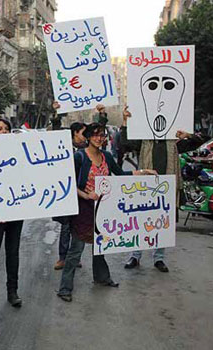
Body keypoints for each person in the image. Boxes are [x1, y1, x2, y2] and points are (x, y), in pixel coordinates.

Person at [56, 123, 157, 302]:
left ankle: (101, 277)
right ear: (88, 137)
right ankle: (65, 288)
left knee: (100, 245)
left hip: (103, 209)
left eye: (102, 135)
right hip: (83, 209)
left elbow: (120, 174)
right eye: (95, 135)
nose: (99, 138)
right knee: (76, 250)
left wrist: (144, 172)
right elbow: (68, 183)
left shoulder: (107, 157)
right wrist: (87, 195)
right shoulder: (79, 157)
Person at [121, 107, 205, 272]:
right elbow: (125, 143)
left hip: (167, 189)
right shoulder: (143, 140)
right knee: (140, 221)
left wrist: (187, 135)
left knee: (163, 223)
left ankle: (159, 258)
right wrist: (125, 121)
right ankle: (135, 256)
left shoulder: (174, 142)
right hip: (145, 188)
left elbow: (199, 142)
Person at [0, 117, 24, 307]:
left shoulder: (19, 153)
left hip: (15, 213)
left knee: (13, 253)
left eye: (6, 129)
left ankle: (12, 291)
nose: (3, 132)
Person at [54, 121, 87, 270]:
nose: (86, 136)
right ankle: (62, 257)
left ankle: (75, 257)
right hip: (67, 192)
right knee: (66, 226)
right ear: (75, 133)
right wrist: (57, 114)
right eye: (83, 133)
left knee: (79, 227)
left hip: (83, 194)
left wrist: (102, 115)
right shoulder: (64, 146)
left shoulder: (88, 149)